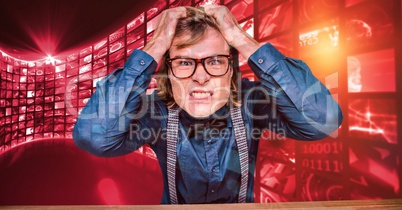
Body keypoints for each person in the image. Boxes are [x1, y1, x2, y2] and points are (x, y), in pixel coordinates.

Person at [73, 6, 343, 204]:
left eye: (215, 61)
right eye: (184, 62)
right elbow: (94, 138)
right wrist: (156, 44)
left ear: (230, 69)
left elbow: (323, 120)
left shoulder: (252, 103)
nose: (200, 77)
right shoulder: (154, 112)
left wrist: (239, 37)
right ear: (167, 70)